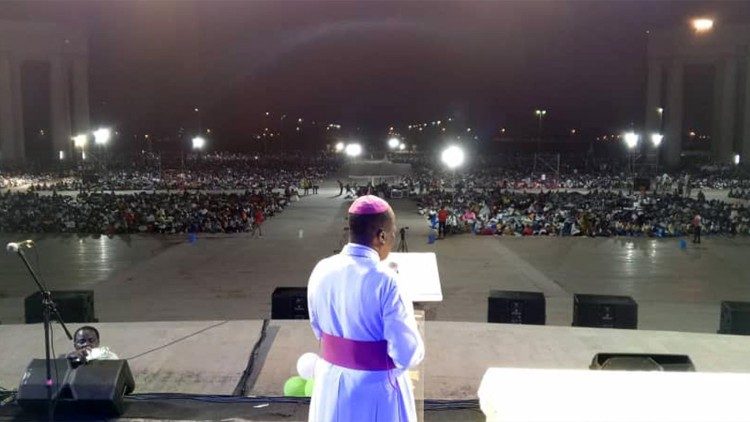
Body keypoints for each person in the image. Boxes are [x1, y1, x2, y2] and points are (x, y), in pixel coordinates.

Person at [307, 195, 424, 422]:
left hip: (331, 383)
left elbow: (318, 329)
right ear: (381, 236)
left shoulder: (322, 269)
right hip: (376, 387)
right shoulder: (387, 280)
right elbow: (407, 353)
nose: (392, 240)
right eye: (392, 234)